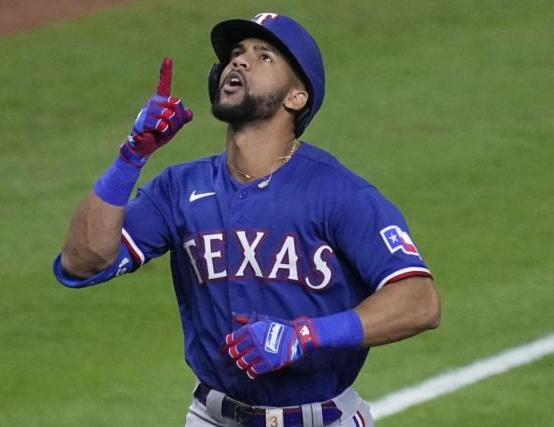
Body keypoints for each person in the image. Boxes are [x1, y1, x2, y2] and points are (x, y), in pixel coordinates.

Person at [53, 12, 441, 427]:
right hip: (213, 417)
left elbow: (420, 302)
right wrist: (131, 157)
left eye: (264, 57)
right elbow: (82, 261)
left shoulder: (340, 194)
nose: (238, 62)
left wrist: (304, 336)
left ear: (297, 97)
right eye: (236, 54)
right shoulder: (179, 188)